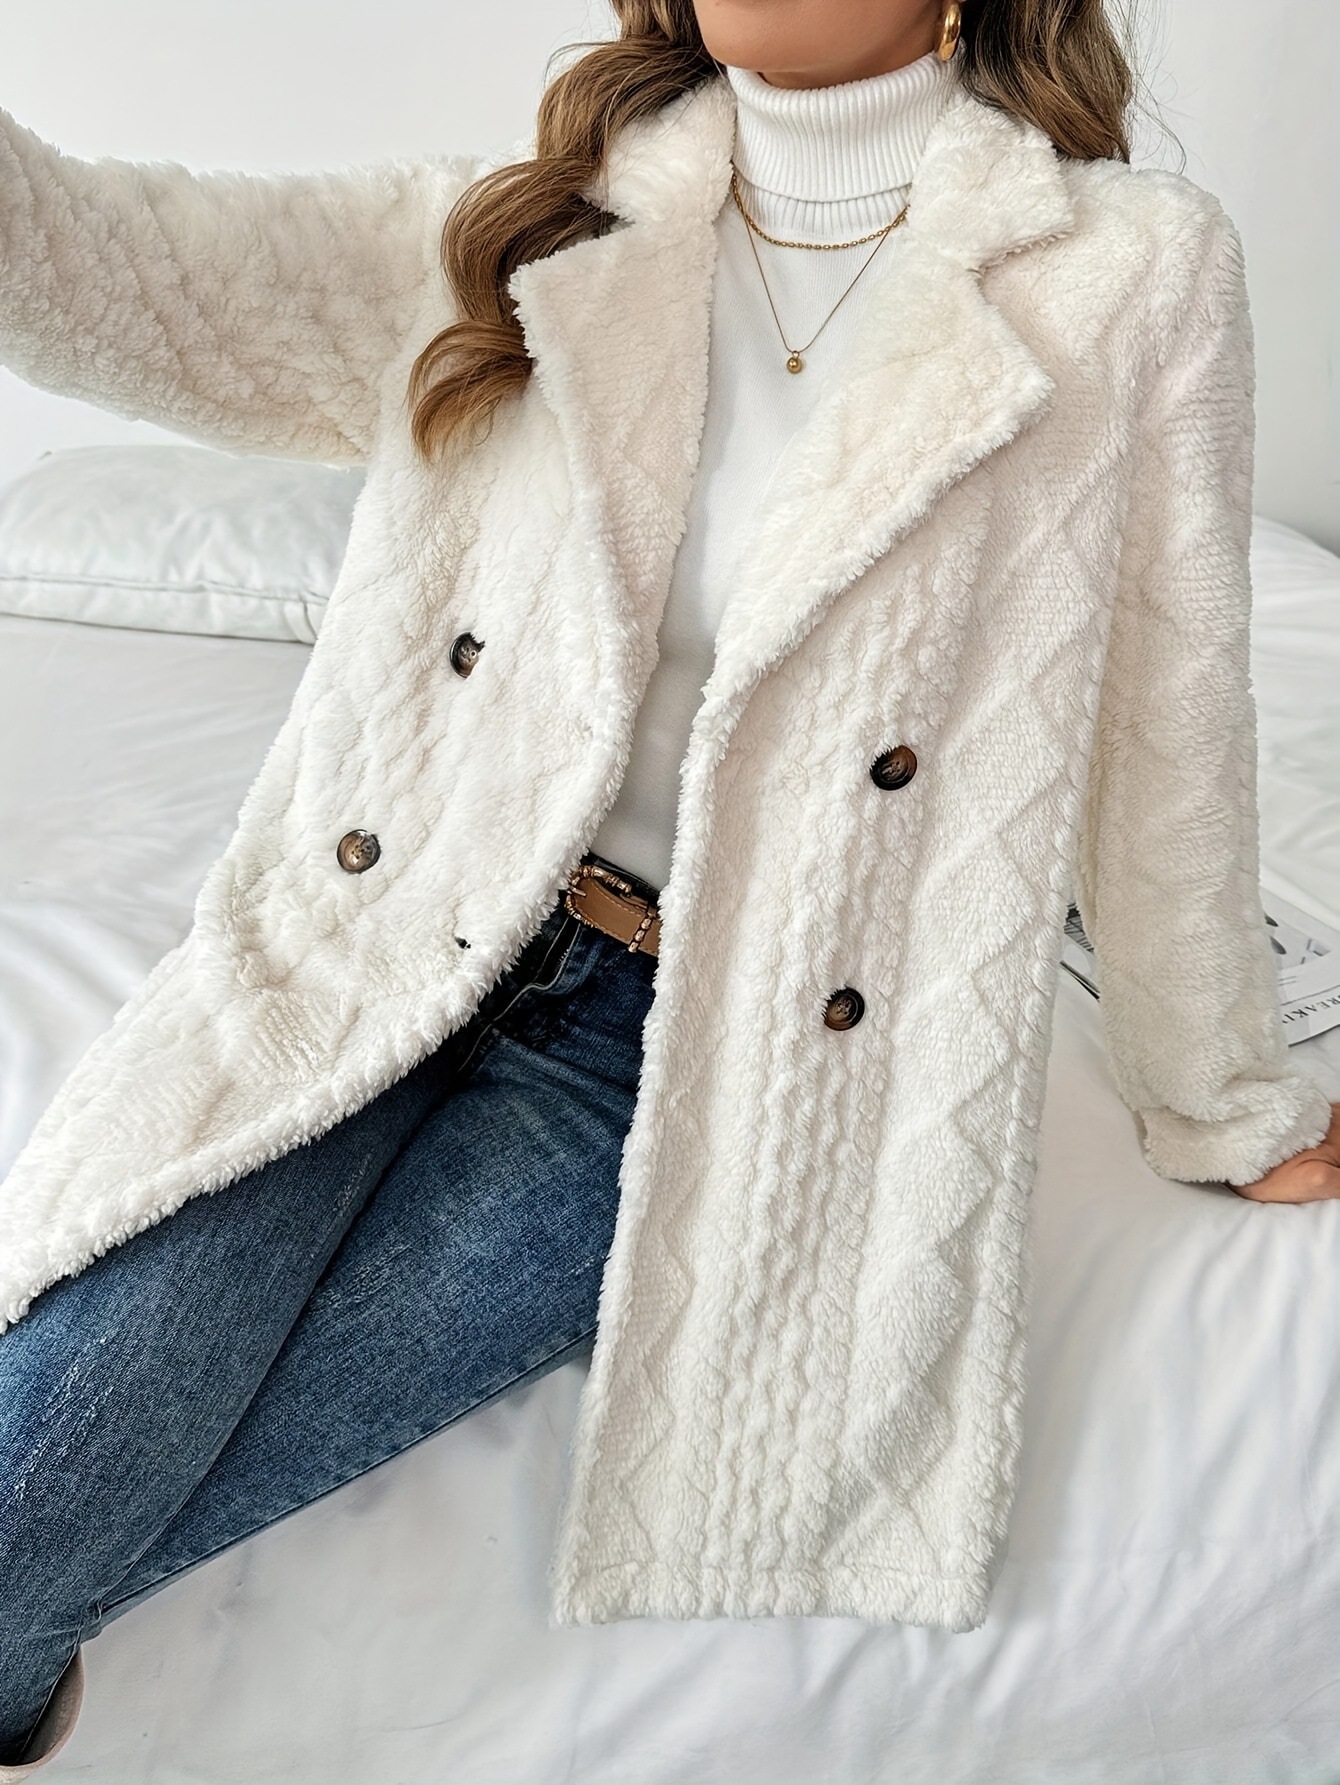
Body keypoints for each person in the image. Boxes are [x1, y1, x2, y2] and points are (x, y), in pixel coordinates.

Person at [2, 0, 1338, 1771]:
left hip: (700, 1035)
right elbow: (114, 272)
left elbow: (1170, 715)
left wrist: (1222, 1093)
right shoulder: (537, 226)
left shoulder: (1121, 271)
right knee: (42, 1449)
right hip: (404, 932)